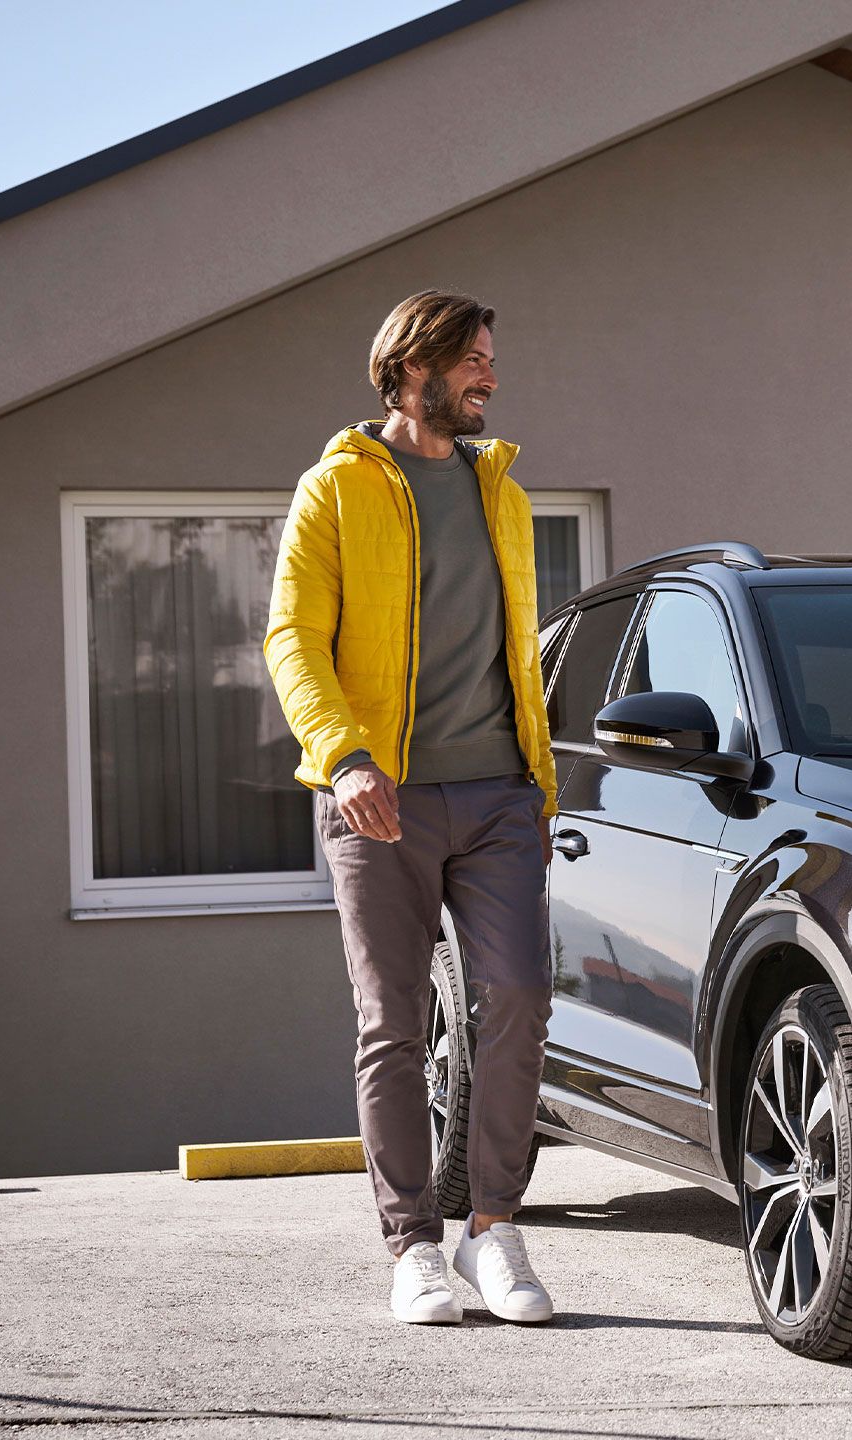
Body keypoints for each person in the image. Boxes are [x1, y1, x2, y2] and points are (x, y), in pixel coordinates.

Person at [264, 291, 560, 1325]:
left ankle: (495, 1232)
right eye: (472, 361)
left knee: (518, 996)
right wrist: (343, 757)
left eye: (488, 358)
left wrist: (536, 779)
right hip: (377, 799)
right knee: (392, 1022)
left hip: (497, 795)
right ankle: (412, 1247)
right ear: (411, 369)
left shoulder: (502, 490)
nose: (489, 376)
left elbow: (510, 646)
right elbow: (293, 639)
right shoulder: (335, 489)